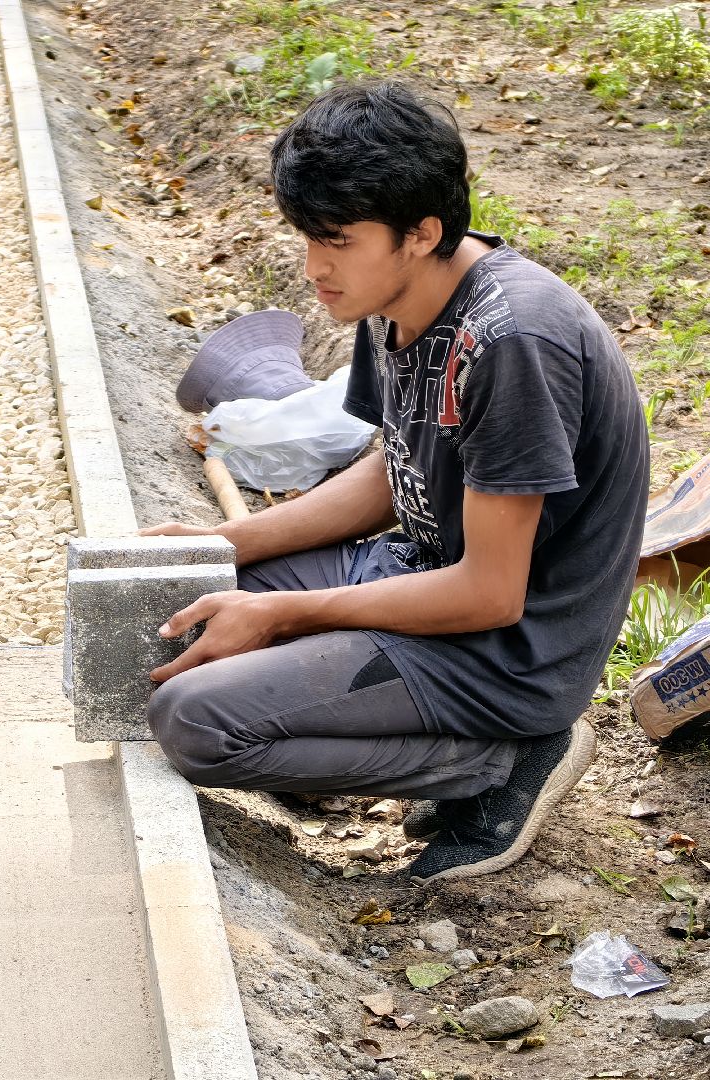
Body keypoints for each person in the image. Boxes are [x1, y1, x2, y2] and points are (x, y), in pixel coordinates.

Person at [142, 82, 649, 885]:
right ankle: (389, 735)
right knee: (175, 602)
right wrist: (225, 541)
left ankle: (502, 761)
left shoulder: (512, 342)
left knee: (193, 720)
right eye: (307, 238)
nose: (314, 268)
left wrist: (285, 613)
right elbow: (393, 469)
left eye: (337, 241)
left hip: (506, 652)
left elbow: (490, 595)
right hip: (418, 572)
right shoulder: (394, 297)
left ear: (422, 233)